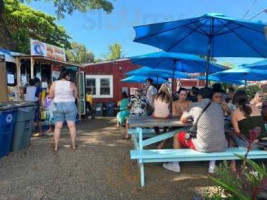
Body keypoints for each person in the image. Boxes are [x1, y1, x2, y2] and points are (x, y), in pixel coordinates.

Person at [163, 88, 228, 173]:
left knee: (177, 136)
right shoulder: (218, 106)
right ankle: (212, 166)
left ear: (200, 97)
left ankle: (175, 164)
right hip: (222, 146)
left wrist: (185, 112)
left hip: (203, 146)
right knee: (213, 134)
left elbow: (183, 120)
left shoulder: (195, 105)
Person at [230, 90, 267, 171]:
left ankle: (233, 164)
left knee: (230, 135)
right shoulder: (255, 107)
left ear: (235, 100)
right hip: (263, 142)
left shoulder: (234, 112)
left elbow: (237, 132)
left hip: (250, 144)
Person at [49, 69, 78, 151]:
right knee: (71, 126)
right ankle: (73, 145)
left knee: (57, 127)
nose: (70, 77)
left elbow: (51, 96)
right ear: (66, 76)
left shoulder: (54, 83)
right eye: (69, 76)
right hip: (70, 105)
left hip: (57, 105)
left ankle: (55, 147)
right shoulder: (71, 84)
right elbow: (75, 96)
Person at [152, 83, 172, 148]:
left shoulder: (156, 96)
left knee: (153, 115)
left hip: (156, 115)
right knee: (168, 114)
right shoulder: (169, 97)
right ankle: (165, 129)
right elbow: (169, 107)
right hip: (166, 116)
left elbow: (154, 106)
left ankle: (156, 128)